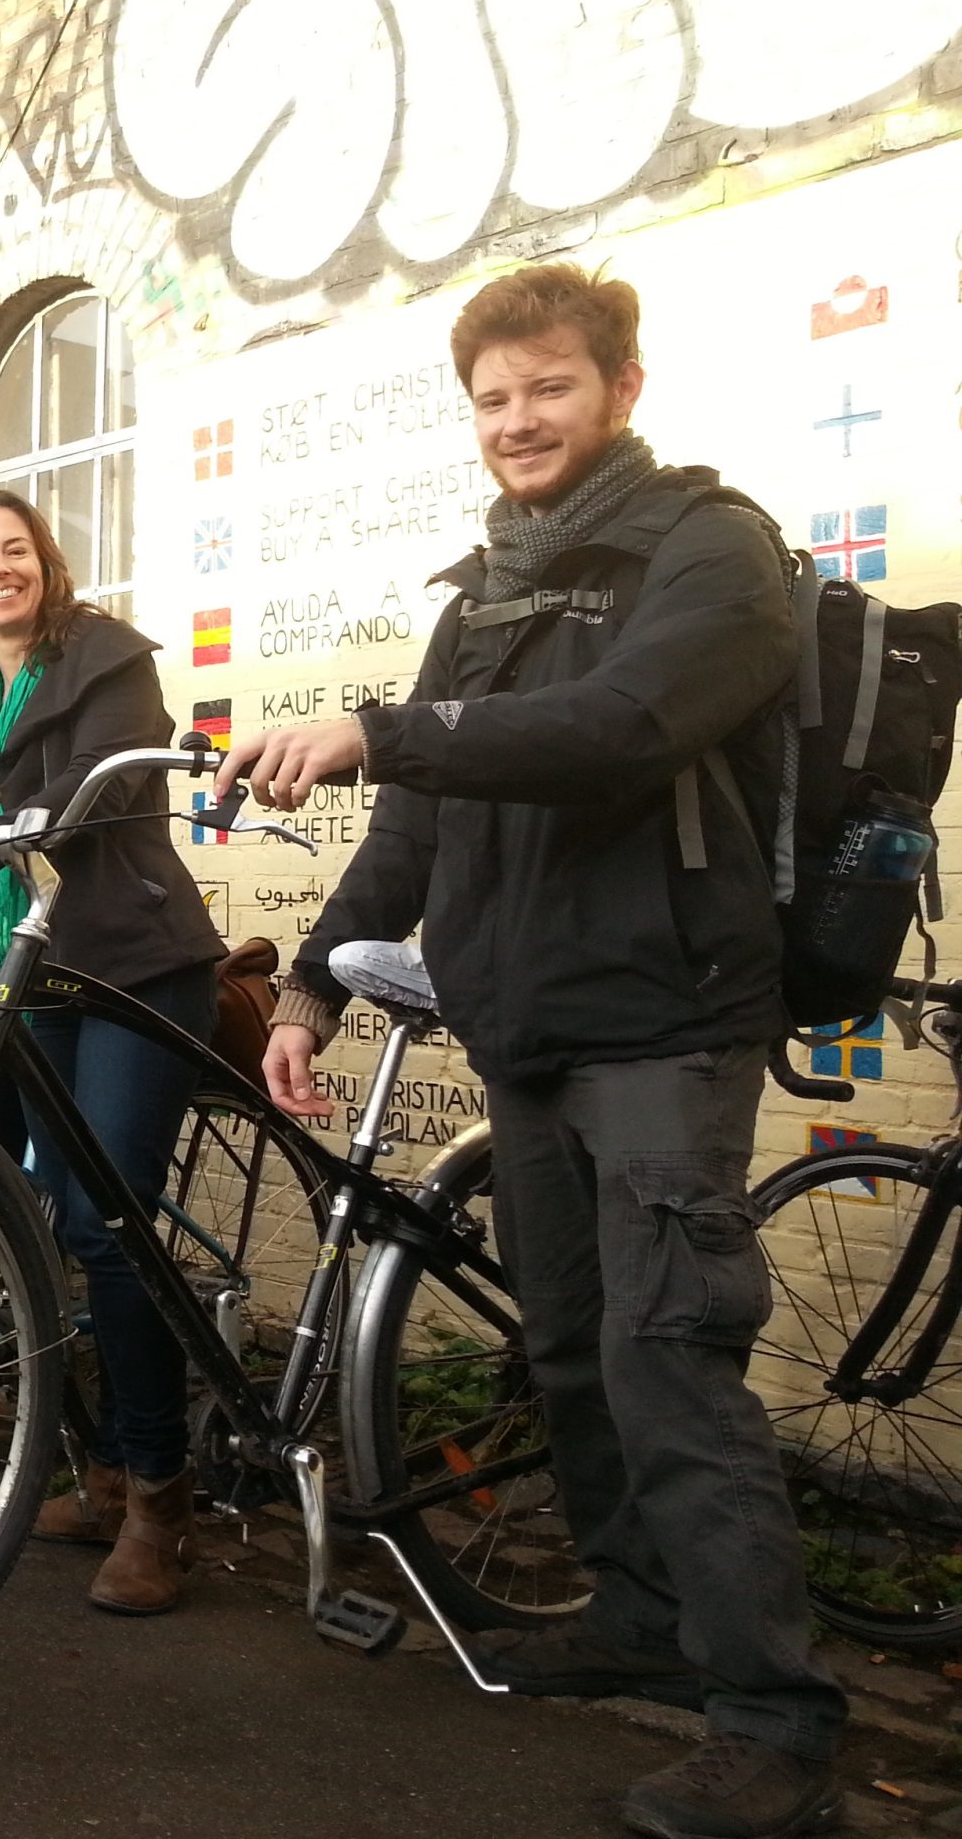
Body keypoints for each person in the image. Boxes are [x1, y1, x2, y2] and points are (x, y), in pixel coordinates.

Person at [218, 262, 843, 1837]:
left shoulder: (712, 550)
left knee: (668, 1360)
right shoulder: (487, 594)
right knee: (566, 1346)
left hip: (664, 1026)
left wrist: (384, 729)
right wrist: (312, 989)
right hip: (526, 1029)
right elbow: (416, 825)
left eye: (549, 387)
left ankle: (776, 1724)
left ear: (622, 389)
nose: (518, 420)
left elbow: (625, 726)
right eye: (493, 398)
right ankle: (643, 1615)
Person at [0, 489, 227, 1613]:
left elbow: (99, 782)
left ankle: (159, 1498)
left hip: (129, 969)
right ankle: (107, 1465)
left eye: (14, 550)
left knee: (107, 1225)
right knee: (55, 1226)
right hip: (21, 976)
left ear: (47, 561)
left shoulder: (106, 658)